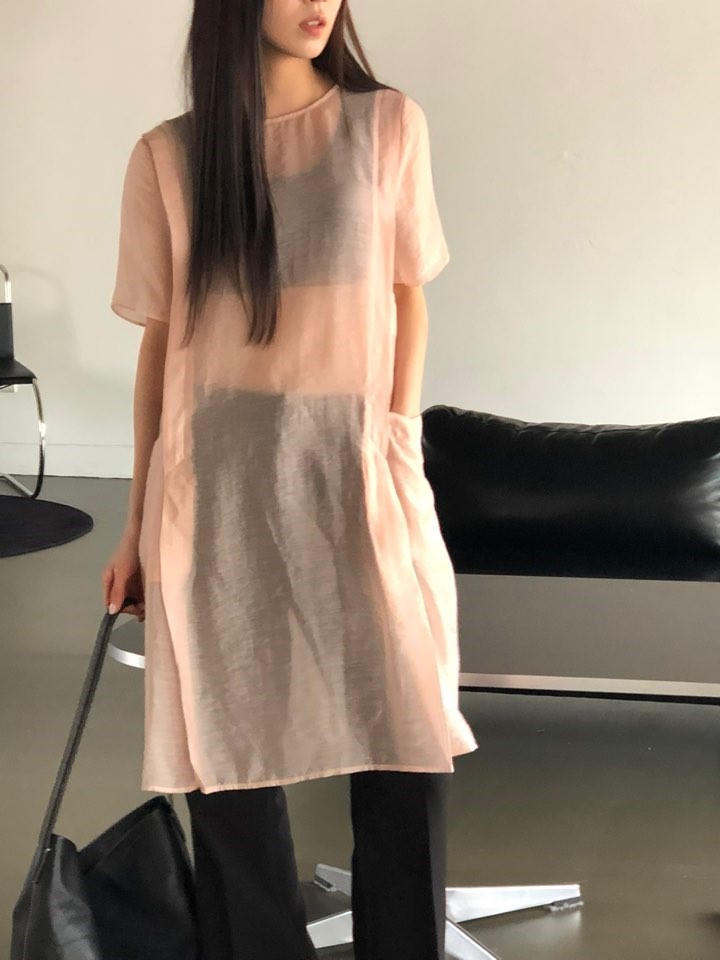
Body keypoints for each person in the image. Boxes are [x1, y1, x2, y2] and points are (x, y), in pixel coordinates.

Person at [101, 1, 478, 957]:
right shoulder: (169, 156)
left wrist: (393, 435)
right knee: (227, 741)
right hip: (218, 476)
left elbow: (407, 294)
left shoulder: (386, 124)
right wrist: (136, 522)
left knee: (406, 725)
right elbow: (162, 346)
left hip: (354, 459)